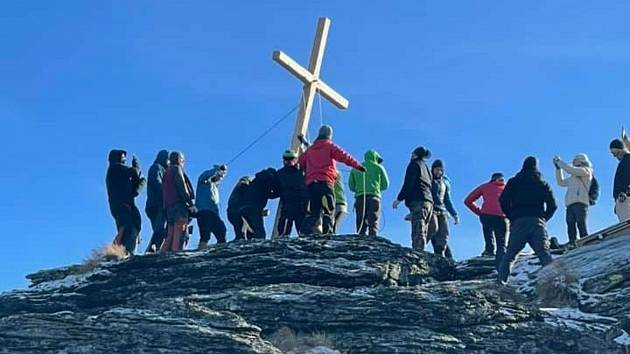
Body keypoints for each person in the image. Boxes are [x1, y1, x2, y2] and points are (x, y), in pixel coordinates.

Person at [497, 156, 557, 285]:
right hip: (537, 222)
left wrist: (511, 216)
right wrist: (544, 218)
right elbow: (553, 205)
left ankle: (501, 282)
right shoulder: (542, 182)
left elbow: (502, 200)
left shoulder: (514, 182)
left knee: (510, 255)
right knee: (544, 254)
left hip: (519, 222)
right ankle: (555, 283)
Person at [298, 125, 364, 235]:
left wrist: (306, 171)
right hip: (325, 182)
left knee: (314, 211)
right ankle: (328, 234)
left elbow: (301, 160)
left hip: (312, 184)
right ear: (329, 135)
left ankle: (304, 232)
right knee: (329, 209)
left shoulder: (310, 149)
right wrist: (358, 166)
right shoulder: (330, 146)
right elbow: (344, 156)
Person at [393, 147, 433, 251]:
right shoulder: (426, 168)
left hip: (418, 200)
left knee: (418, 229)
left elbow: (408, 183)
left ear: (415, 154)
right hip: (429, 202)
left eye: (412, 153)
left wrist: (399, 199)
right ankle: (422, 250)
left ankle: (418, 253)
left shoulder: (414, 165)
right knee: (424, 228)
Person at [105, 149, 146, 255]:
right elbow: (133, 172)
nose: (124, 159)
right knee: (127, 228)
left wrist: (141, 182)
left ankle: (123, 251)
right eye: (123, 156)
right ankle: (121, 251)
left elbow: (134, 191)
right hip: (122, 206)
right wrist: (136, 166)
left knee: (130, 227)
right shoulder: (115, 168)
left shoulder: (120, 175)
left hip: (125, 205)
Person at [464, 173, 508, 267]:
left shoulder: (485, 186)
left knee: (488, 235)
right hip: (502, 216)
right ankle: (501, 263)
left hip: (486, 215)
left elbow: (468, 201)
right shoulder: (508, 187)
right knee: (501, 242)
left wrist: (479, 211)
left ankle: (489, 251)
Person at [553, 154, 594, 246]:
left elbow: (571, 170)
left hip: (581, 202)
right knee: (570, 224)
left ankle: (585, 241)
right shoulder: (573, 176)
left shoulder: (586, 171)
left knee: (581, 223)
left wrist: (560, 163)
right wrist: (558, 169)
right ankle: (572, 242)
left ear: (581, 161)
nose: (573, 163)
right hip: (570, 204)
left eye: (575, 160)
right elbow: (561, 182)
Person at [160, 151, 195, 252]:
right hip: (179, 206)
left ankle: (164, 255)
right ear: (179, 160)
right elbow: (182, 186)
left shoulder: (166, 172)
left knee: (170, 234)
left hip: (168, 207)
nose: (183, 163)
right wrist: (190, 204)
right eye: (183, 160)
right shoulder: (176, 169)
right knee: (180, 231)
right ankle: (177, 254)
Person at [349, 150, 390, 236]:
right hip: (374, 198)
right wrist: (376, 188)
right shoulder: (379, 167)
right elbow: (385, 185)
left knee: (360, 221)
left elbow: (351, 186)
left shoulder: (355, 168)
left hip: (360, 198)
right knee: (373, 221)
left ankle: (361, 239)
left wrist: (358, 189)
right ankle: (373, 239)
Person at [427, 160, 459, 257]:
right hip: (432, 209)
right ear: (432, 169)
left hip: (442, 210)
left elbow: (447, 200)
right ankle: (420, 246)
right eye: (437, 169)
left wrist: (454, 214)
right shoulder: (428, 180)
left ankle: (440, 253)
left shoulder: (444, 183)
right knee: (433, 228)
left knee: (444, 233)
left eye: (441, 170)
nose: (439, 172)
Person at [240, 168, 281, 239]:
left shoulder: (256, 180)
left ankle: (250, 245)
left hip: (244, 207)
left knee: (251, 231)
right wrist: (281, 192)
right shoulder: (268, 180)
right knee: (259, 232)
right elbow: (270, 194)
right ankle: (259, 248)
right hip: (254, 209)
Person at [195, 164, 228, 249]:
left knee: (222, 230)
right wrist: (217, 169)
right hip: (204, 211)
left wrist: (221, 174)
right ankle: (200, 251)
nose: (219, 178)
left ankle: (220, 250)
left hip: (214, 213)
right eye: (218, 175)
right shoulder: (203, 183)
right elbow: (204, 175)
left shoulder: (215, 188)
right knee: (205, 235)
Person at [276, 150, 308, 237]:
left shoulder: (302, 171)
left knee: (302, 229)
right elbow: (276, 188)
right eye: (286, 159)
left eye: (291, 159)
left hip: (301, 204)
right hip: (287, 203)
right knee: (284, 229)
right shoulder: (280, 173)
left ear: (296, 159)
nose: (288, 161)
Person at [145, 150, 169, 253]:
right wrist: (166, 196)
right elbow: (157, 183)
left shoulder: (161, 169)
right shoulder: (157, 168)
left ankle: (154, 248)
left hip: (156, 204)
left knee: (159, 229)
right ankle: (152, 249)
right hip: (157, 204)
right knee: (159, 230)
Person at [610, 139, 630, 222]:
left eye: (615, 153)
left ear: (621, 150)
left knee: (626, 224)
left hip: (624, 197)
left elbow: (627, 177)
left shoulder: (627, 159)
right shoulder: (624, 161)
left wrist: (625, 192)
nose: (615, 157)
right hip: (622, 198)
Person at [227, 176, 251, 241]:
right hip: (236, 212)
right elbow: (243, 183)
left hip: (233, 212)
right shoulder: (242, 185)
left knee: (242, 232)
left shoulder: (238, 190)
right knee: (241, 233)